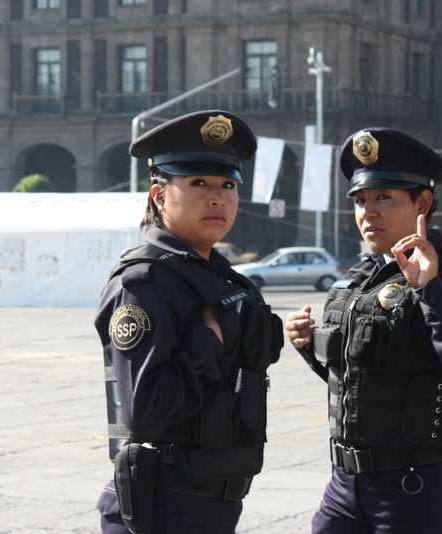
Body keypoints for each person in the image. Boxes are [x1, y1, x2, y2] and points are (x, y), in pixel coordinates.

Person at [286, 128, 442, 534]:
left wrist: (429, 290)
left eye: (383, 197)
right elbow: (357, 375)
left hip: (416, 488)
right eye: (360, 199)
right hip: (345, 484)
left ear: (423, 202)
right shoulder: (358, 277)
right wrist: (306, 344)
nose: (368, 211)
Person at [95, 110, 283, 534]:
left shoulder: (220, 277)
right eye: (198, 183)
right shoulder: (145, 283)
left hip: (212, 497)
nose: (217, 198)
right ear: (159, 196)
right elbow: (146, 411)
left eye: (228, 185)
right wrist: (206, 341)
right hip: (163, 504)